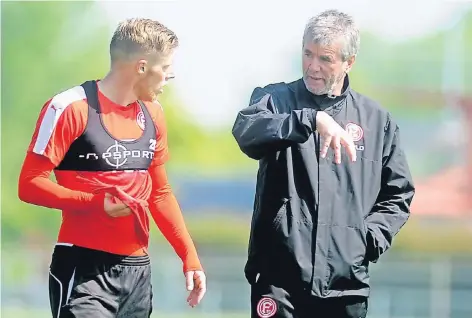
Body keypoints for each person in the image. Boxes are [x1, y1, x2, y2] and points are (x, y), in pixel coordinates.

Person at [232, 9, 415, 318]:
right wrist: (311, 119)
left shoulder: (377, 120)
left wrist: (364, 240)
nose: (313, 67)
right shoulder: (275, 100)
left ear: (349, 62)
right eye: (308, 54)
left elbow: (398, 195)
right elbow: (247, 132)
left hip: (346, 287)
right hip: (278, 283)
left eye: (325, 59)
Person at [18, 18, 206, 318]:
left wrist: (190, 257)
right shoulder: (68, 108)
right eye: (166, 68)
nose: (170, 76)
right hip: (83, 270)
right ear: (142, 67)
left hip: (138, 274)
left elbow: (160, 193)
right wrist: (94, 203)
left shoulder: (154, 114)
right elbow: (28, 184)